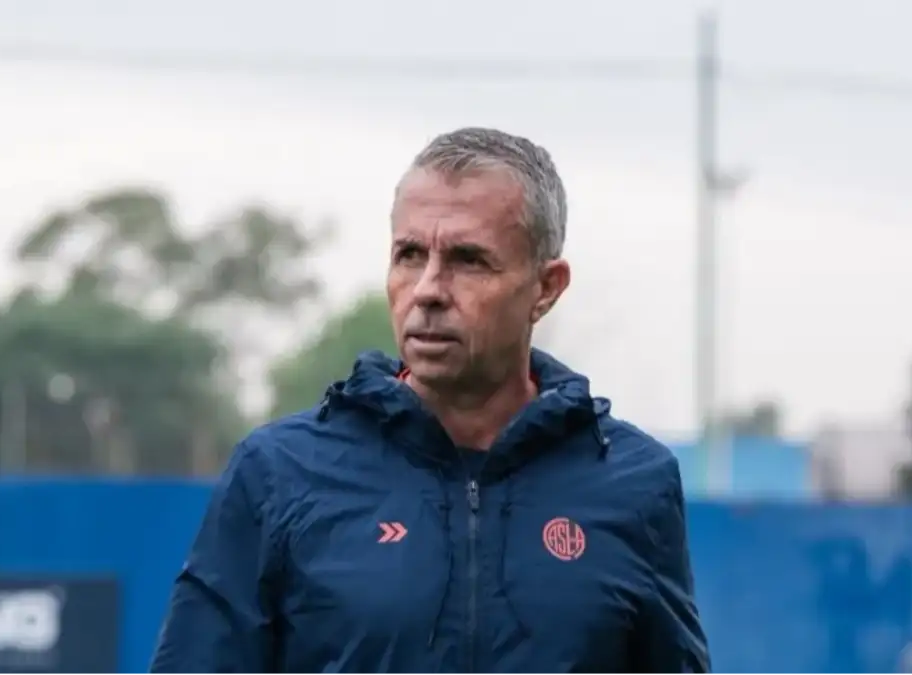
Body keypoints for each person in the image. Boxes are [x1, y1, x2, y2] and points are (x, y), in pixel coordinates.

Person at [148, 127, 711, 674]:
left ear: (546, 288)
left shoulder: (633, 482)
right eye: (410, 255)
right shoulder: (280, 472)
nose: (429, 290)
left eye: (469, 260)